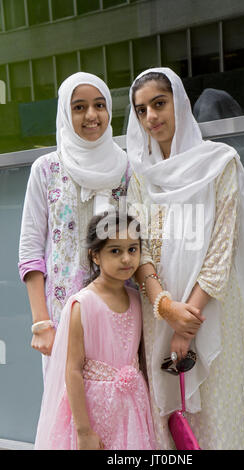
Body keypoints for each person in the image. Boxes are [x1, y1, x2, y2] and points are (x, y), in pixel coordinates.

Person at [126, 67, 244, 450]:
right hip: (162, 316)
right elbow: (139, 250)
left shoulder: (221, 163)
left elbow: (223, 248)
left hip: (212, 311)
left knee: (220, 421)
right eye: (141, 110)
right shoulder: (140, 175)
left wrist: (188, 323)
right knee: (174, 425)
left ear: (179, 105)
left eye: (159, 104)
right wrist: (165, 307)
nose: (151, 117)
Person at [18, 72, 128, 369]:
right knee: (68, 409)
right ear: (66, 113)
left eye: (99, 105)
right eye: (79, 107)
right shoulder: (47, 169)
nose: (91, 115)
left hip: (119, 310)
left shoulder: (127, 168)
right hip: (62, 315)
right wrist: (41, 322)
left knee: (115, 402)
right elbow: (30, 250)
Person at [34, 211, 156, 450]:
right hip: (93, 409)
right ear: (95, 256)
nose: (126, 259)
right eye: (115, 251)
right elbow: (73, 371)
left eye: (132, 249)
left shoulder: (136, 300)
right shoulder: (83, 305)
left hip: (130, 410)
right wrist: (84, 431)